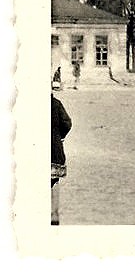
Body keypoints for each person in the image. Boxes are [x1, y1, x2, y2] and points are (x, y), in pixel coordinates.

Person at [51, 80, 72, 225]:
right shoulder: (56, 104)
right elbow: (67, 123)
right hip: (54, 150)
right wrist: (60, 137)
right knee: (53, 181)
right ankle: (54, 214)